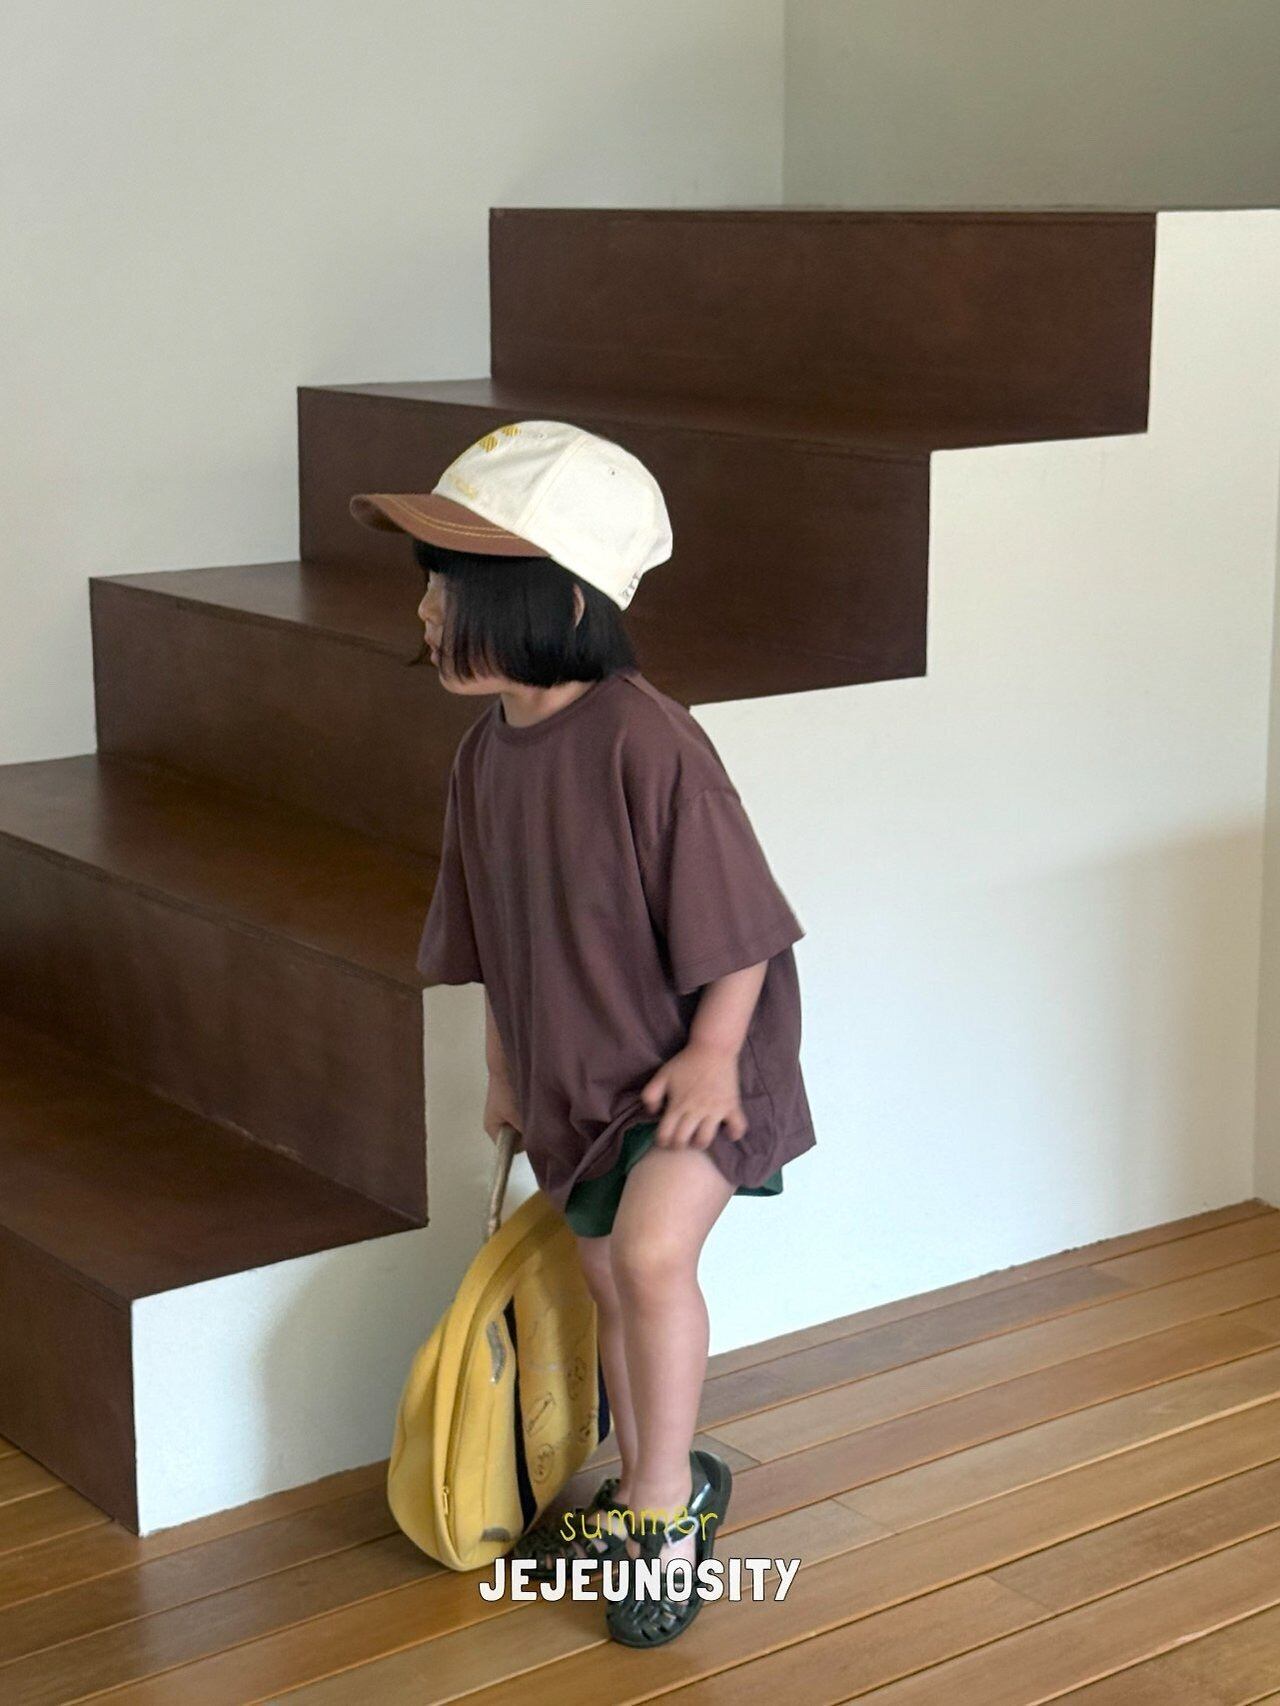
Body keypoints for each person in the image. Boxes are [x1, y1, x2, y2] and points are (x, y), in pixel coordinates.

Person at [350, 420, 816, 1647]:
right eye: (431, 585)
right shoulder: (483, 757)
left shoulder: (646, 741)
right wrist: (504, 1067)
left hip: (695, 1066)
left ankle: (659, 1510)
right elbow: (490, 937)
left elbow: (746, 929)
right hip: (579, 1073)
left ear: (563, 599)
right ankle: (661, 1468)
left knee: (650, 1258)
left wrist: (711, 1053)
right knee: (607, 1275)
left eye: (460, 587)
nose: (429, 612)